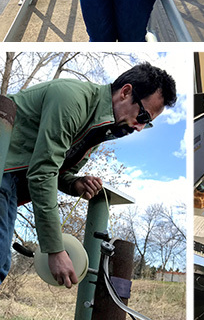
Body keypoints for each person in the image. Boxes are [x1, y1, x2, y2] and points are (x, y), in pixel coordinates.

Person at [0, 62, 176, 288]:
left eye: (147, 123)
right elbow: (43, 171)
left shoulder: (97, 129)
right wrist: (54, 249)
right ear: (125, 92)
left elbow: (54, 168)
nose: (140, 128)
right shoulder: (72, 99)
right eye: (142, 116)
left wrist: (75, 183)